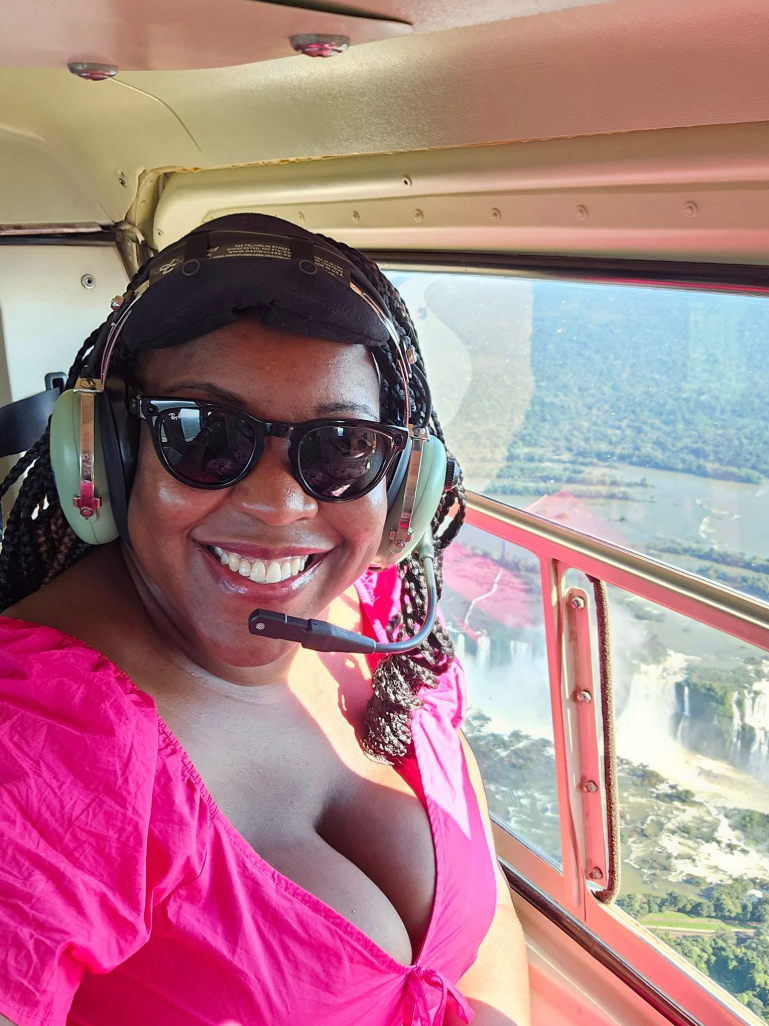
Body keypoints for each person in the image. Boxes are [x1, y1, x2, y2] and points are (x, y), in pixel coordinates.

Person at [0, 214, 531, 1026]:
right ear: (105, 455)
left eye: (342, 445)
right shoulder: (38, 739)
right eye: (202, 433)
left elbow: (490, 921)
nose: (280, 505)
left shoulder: (384, 631)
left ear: (403, 488)